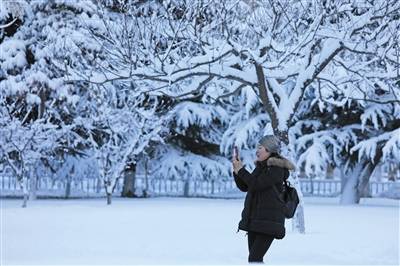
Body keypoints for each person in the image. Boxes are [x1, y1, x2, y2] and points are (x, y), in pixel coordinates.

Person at [232, 135, 295, 263]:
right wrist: (237, 171)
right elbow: (246, 186)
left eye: (260, 147)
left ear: (269, 149)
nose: (257, 151)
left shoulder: (276, 168)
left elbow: (257, 184)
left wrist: (242, 171)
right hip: (256, 220)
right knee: (255, 259)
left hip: (269, 221)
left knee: (254, 258)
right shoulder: (262, 167)